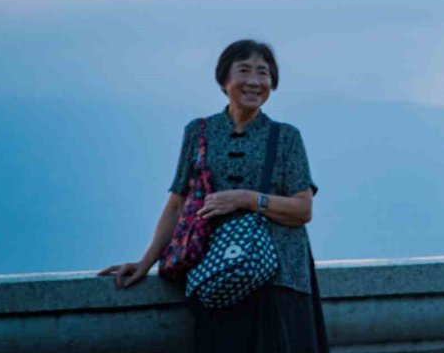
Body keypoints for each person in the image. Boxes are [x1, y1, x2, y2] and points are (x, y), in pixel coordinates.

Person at [100, 39, 327, 353]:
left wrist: (248, 199)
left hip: (280, 279)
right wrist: (146, 261)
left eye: (263, 73)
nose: (254, 81)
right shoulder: (199, 131)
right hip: (217, 270)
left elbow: (303, 209)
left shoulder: (286, 137)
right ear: (224, 80)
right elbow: (177, 202)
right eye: (244, 71)